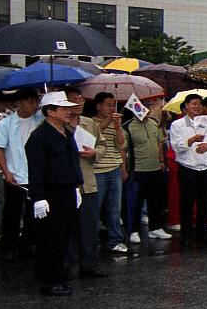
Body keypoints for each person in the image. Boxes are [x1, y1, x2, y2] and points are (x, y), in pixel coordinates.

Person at [25, 91, 84, 296]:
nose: (69, 112)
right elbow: (36, 169)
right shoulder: (39, 137)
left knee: (64, 235)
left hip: (67, 190)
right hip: (50, 193)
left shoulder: (66, 133)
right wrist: (38, 197)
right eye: (64, 108)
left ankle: (60, 274)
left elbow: (72, 161)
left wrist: (76, 186)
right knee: (50, 238)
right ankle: (48, 280)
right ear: (50, 112)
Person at [0, 89, 43, 262]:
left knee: (33, 214)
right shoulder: (6, 124)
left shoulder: (40, 121)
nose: (34, 106)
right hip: (14, 175)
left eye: (36, 102)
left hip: (35, 175)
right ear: (20, 102)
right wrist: (6, 172)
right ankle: (8, 246)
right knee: (12, 213)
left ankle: (27, 245)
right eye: (30, 102)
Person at [65, 89, 106, 279]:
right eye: (74, 100)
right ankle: (65, 265)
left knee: (89, 225)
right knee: (67, 228)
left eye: (81, 100)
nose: (79, 103)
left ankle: (89, 264)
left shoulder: (89, 123)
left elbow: (102, 145)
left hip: (88, 181)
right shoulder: (59, 125)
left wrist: (95, 153)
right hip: (66, 184)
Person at [170, 94, 207, 244]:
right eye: (193, 104)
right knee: (187, 202)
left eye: (199, 104)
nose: (197, 106)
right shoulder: (177, 125)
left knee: (204, 202)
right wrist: (191, 140)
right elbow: (176, 146)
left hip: (206, 167)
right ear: (186, 106)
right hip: (188, 168)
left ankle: (202, 232)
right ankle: (186, 234)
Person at [123, 95, 171, 243]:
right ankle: (134, 230)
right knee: (136, 202)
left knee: (155, 200)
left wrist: (162, 160)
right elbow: (124, 150)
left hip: (155, 168)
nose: (143, 111)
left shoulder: (153, 123)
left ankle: (155, 228)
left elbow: (158, 143)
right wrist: (125, 169)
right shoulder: (128, 126)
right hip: (138, 169)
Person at [89, 92, 128, 254]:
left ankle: (115, 240)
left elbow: (121, 146)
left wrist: (118, 127)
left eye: (113, 105)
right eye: (108, 105)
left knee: (114, 208)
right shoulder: (90, 122)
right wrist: (107, 121)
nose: (111, 108)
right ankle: (91, 242)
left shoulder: (116, 123)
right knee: (94, 209)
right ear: (98, 106)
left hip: (114, 168)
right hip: (97, 170)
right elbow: (91, 138)